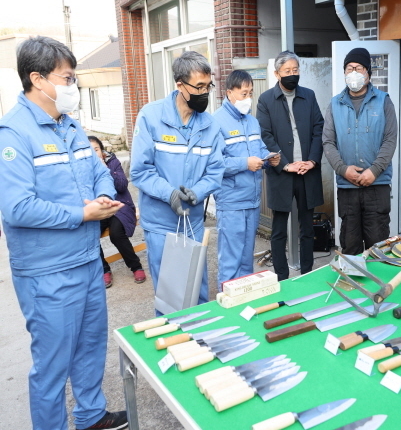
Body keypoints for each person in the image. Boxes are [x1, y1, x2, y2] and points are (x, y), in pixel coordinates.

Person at [0, 36, 127, 430]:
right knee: (53, 364)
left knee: (90, 348)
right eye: (67, 78)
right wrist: (82, 213)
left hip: (87, 261)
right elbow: (16, 207)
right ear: (37, 79)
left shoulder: (70, 126)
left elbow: (98, 173)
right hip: (47, 272)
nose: (74, 87)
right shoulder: (13, 134)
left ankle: (90, 416)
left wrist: (103, 198)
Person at [131, 51, 224, 307]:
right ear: (180, 85)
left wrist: (198, 190)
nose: (205, 93)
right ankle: (173, 345)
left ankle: (201, 342)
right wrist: (169, 193)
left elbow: (215, 171)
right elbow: (140, 170)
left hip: (192, 222)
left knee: (198, 290)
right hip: (161, 224)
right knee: (170, 298)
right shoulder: (151, 116)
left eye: (208, 86)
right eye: (199, 86)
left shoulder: (210, 125)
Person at [323, 47, 398, 254]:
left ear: (368, 72)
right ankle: (353, 284)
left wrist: (374, 171)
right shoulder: (335, 104)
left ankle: (379, 286)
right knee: (350, 245)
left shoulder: (384, 101)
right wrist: (342, 169)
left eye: (358, 68)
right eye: (349, 68)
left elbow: (390, 139)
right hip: (347, 187)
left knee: (378, 245)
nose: (353, 72)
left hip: (377, 185)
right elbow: (328, 141)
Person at [257, 51, 324, 281]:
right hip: (282, 174)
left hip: (307, 172)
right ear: (277, 74)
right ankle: (282, 277)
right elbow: (265, 135)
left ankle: (307, 274)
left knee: (307, 227)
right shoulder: (266, 100)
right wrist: (285, 165)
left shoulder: (309, 95)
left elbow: (319, 128)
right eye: (287, 71)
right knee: (278, 230)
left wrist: (312, 161)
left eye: (296, 70)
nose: (292, 75)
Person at [213, 70, 280, 286]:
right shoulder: (216, 122)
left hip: (252, 201)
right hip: (231, 202)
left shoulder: (252, 122)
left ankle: (245, 300)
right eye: (243, 93)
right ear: (229, 93)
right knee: (231, 260)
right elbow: (215, 163)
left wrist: (269, 158)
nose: (248, 98)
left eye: (250, 93)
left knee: (246, 258)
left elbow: (259, 148)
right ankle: (227, 304)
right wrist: (245, 163)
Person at [89, 136, 146, 288]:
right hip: (98, 208)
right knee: (91, 234)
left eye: (96, 150)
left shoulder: (112, 162)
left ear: (102, 151)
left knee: (116, 233)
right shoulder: (83, 169)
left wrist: (105, 170)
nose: (94, 154)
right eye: (90, 151)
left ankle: (136, 266)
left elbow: (121, 186)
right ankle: (104, 270)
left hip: (119, 206)